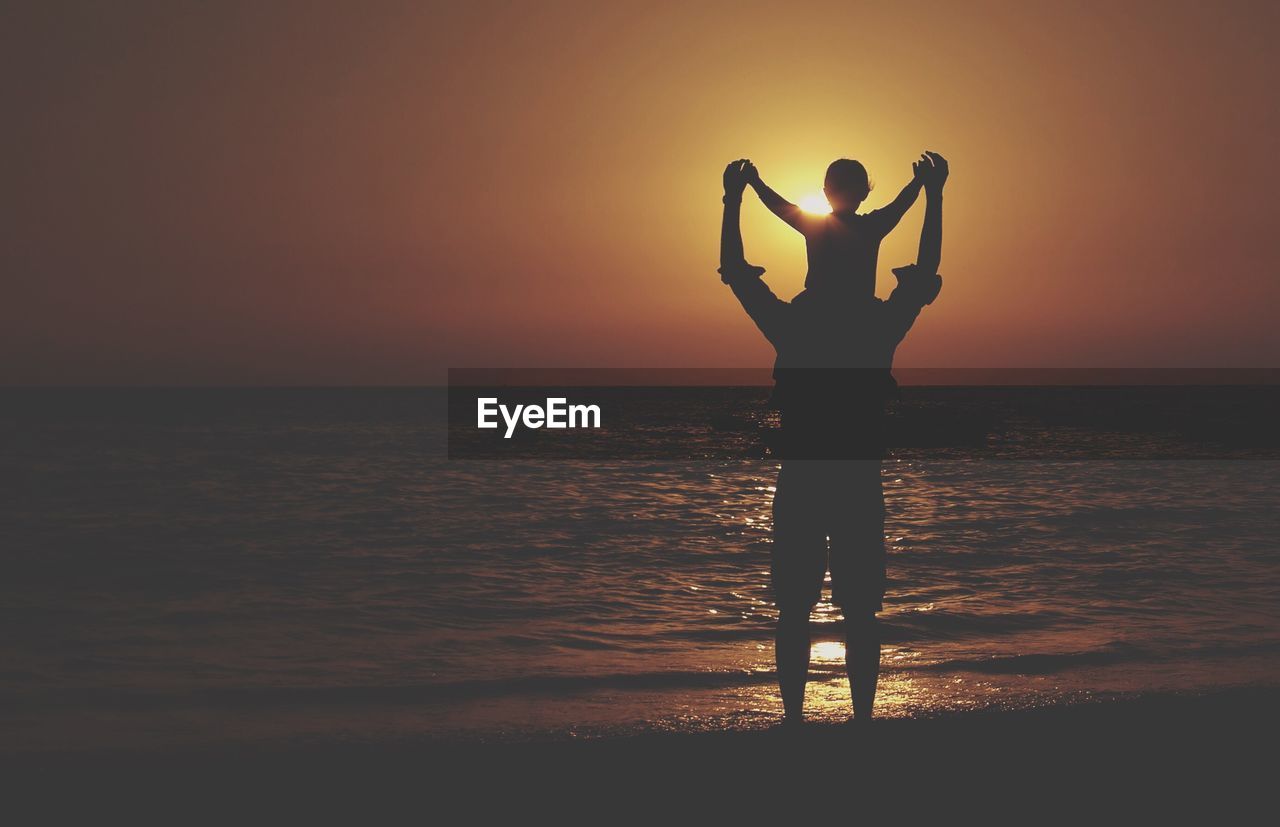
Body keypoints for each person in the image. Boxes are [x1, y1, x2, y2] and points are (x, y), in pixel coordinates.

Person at [719, 151, 947, 724]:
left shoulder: (793, 327)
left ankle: (796, 721)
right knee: (858, 612)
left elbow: (735, 270)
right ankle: (861, 723)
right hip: (856, 481)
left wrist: (736, 197)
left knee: (794, 610)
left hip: (803, 480)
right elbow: (922, 267)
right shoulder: (877, 328)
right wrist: (933, 193)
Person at [745, 155, 937, 297]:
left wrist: (755, 182)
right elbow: (900, 205)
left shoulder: (815, 227)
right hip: (860, 314)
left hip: (813, 312)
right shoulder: (871, 227)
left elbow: (779, 206)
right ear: (865, 193)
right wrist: (921, 183)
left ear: (826, 193)